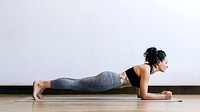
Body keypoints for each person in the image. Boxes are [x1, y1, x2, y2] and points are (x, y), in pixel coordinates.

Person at [33, 47, 172, 100]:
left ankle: (44, 85)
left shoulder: (146, 69)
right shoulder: (146, 70)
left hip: (108, 79)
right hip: (107, 81)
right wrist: (163, 96)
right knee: (75, 84)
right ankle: (41, 83)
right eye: (166, 62)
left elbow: (140, 94)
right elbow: (145, 96)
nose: (167, 65)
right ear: (158, 61)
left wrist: (158, 95)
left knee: (76, 82)